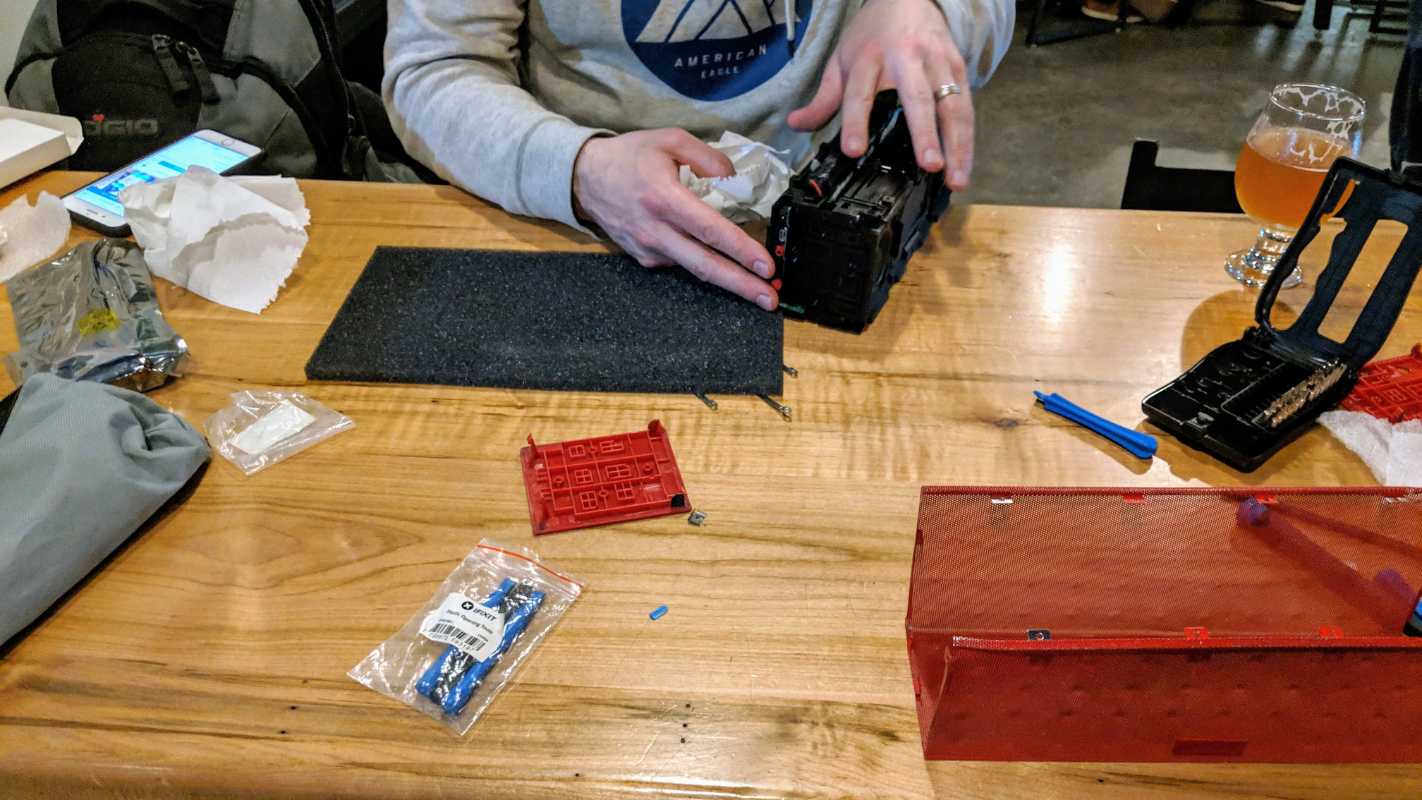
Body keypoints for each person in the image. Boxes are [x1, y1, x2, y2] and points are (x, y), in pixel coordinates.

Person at [384, 0, 1013, 310]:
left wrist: (931, 11)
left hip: (830, 216)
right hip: (579, 226)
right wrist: (577, 169)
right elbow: (433, 68)